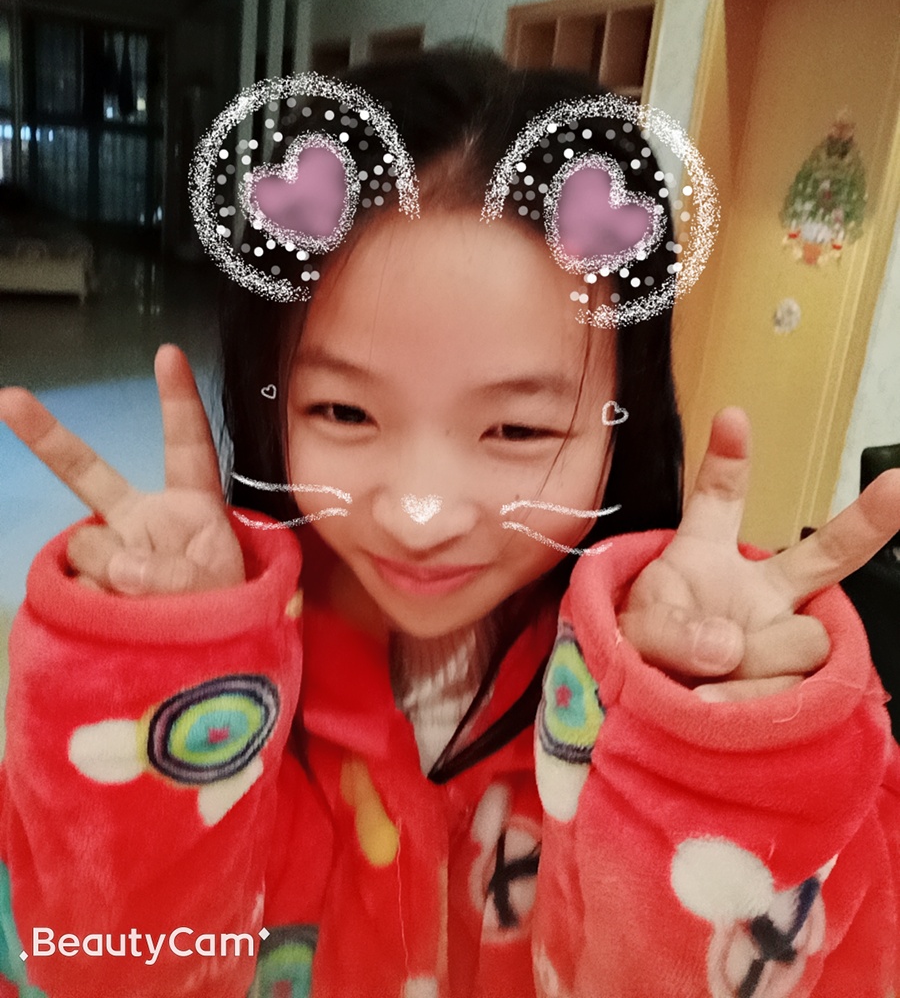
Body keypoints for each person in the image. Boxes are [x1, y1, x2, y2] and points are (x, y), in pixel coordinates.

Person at [0, 49, 898, 998]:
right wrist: (163, 684)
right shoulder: (229, 661)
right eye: (344, 412)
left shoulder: (736, 706)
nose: (419, 515)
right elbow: (95, 965)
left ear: (624, 421)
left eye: (516, 428)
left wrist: (717, 769)